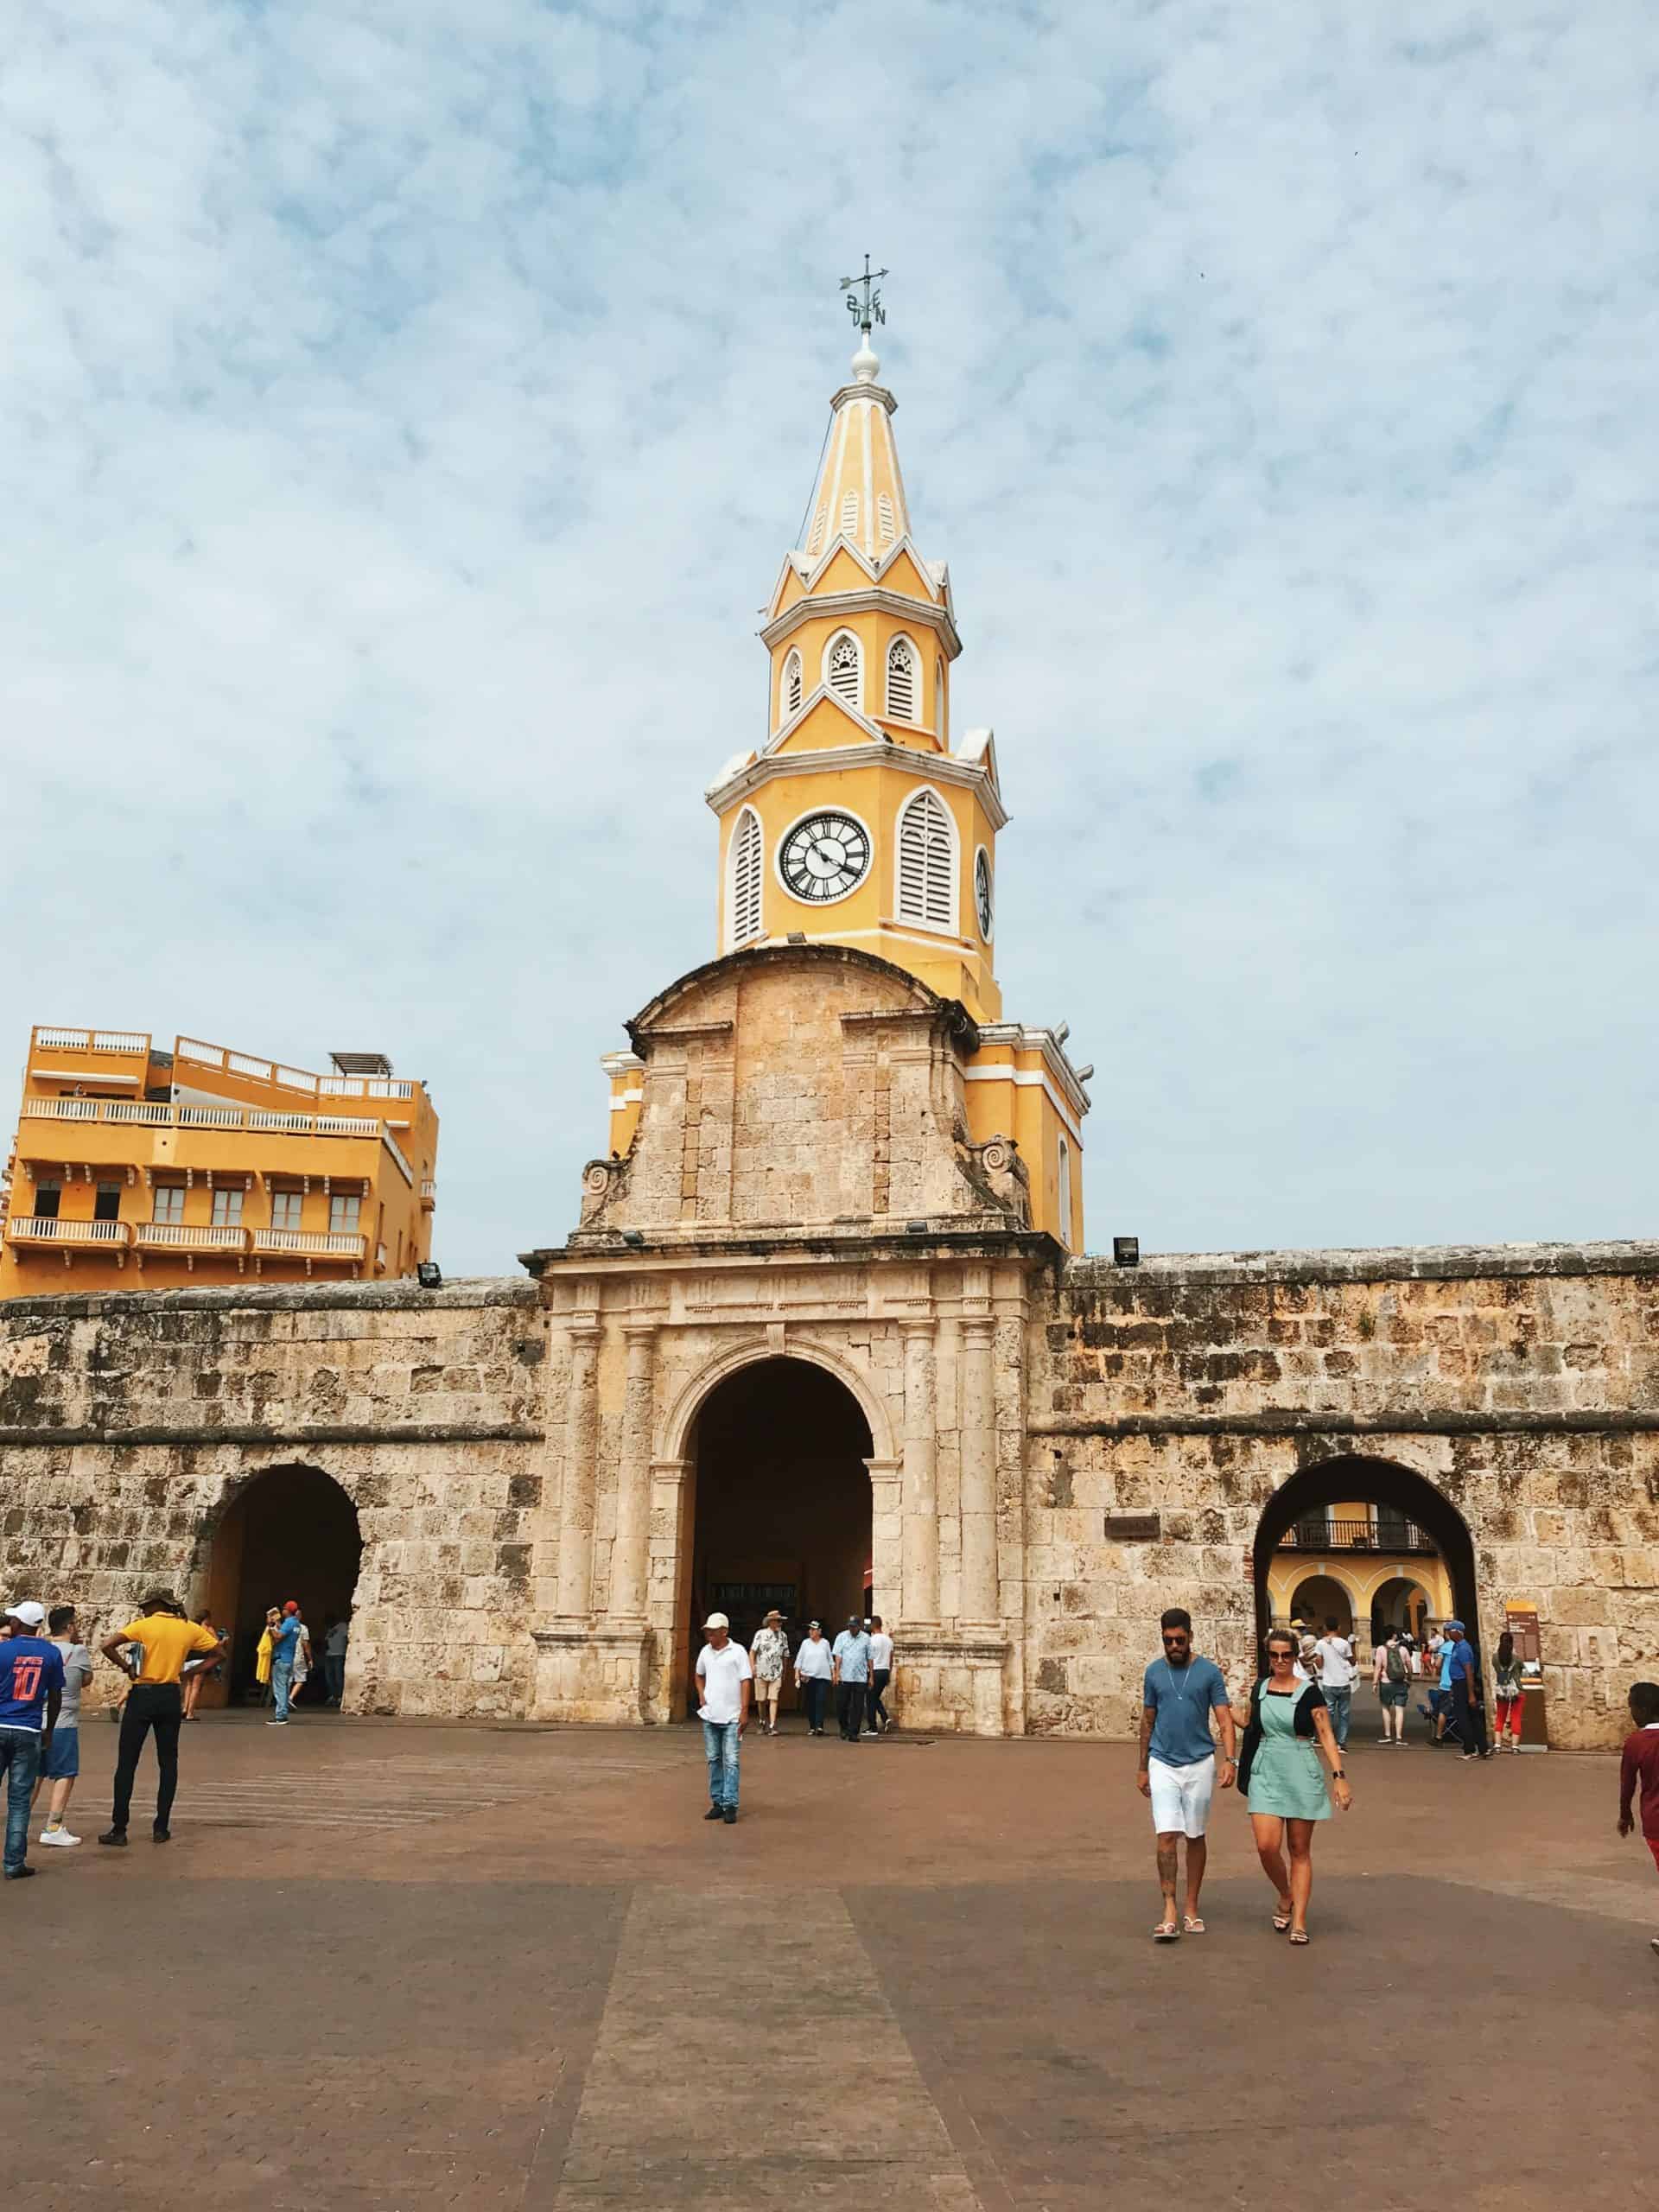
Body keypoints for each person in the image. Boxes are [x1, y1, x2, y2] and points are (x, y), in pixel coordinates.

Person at [1233, 1629, 1352, 1943]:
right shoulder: (1259, 1688)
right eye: (1274, 1655)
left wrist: (1339, 1777)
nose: (1280, 1660)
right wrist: (1227, 1714)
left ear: (1295, 1655)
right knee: (1266, 1846)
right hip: (1267, 1768)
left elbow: (1325, 1733)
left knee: (1299, 1849)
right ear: (1268, 1657)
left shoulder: (1310, 1692)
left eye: (1286, 1654)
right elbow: (1252, 1724)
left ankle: (1298, 1919)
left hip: (1300, 1766)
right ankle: (1285, 1893)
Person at [1137, 1606, 1236, 1942]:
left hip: (1199, 1763)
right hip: (1162, 1761)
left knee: (1195, 1835)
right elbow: (1147, 1720)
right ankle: (1169, 1909)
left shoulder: (1209, 1673)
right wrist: (1142, 1768)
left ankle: (1191, 1906)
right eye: (1168, 1640)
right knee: (1166, 1835)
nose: (1174, 1646)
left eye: (1180, 1640)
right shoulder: (1153, 1673)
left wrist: (1230, 1759)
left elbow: (1223, 1718)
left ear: (1191, 1637)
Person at [98, 1590, 221, 1846]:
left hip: (142, 1695)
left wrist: (126, 1667)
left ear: (156, 1605)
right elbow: (219, 1654)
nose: (143, 1610)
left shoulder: (144, 1626)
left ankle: (119, 1829)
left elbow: (107, 1645)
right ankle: (161, 1827)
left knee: (127, 1763)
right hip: (169, 1696)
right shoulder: (189, 1629)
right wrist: (190, 1672)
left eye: (146, 1605)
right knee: (168, 1762)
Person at [0, 1602, 65, 1881]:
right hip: (28, 1730)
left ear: (18, 1624)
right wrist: (49, 1729)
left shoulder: (3, 1650)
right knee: (19, 1801)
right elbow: (55, 1696)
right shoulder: (51, 1654)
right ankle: (14, 1863)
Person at [35, 1605, 92, 1847]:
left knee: (34, 1774)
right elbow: (86, 1679)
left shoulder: (42, 1649)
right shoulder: (77, 1651)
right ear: (69, 1627)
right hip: (63, 1722)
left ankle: (19, 1822)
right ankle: (53, 1826)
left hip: (36, 1721)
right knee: (65, 1774)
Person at [693, 1611, 751, 1824]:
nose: (709, 1635)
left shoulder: (738, 1652)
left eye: (713, 1632)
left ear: (724, 1632)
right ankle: (717, 1801)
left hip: (732, 1716)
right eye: (708, 1632)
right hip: (710, 1715)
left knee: (731, 1761)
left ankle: (730, 1804)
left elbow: (745, 1681)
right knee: (713, 1759)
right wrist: (701, 1694)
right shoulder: (705, 1652)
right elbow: (698, 1674)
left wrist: (745, 1710)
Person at [1616, 1681, 1659, 1956]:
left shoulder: (1636, 1743)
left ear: (1643, 1709)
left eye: (1632, 1706)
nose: (1631, 1712)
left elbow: (1627, 1784)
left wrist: (1624, 1814)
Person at [1445, 1618, 1490, 1761]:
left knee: (1464, 1718)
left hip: (1463, 1684)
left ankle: (1469, 1749)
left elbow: (1468, 1671)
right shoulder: (1456, 1647)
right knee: (1472, 1717)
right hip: (1458, 1684)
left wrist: (1471, 1694)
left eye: (1450, 1630)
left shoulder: (1463, 1649)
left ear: (1457, 1632)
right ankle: (1483, 1748)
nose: (1448, 1633)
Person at [1314, 1617, 1356, 1751]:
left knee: (1329, 1713)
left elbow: (1319, 1665)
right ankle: (1341, 1743)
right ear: (1338, 1628)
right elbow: (1353, 1661)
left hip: (1328, 1682)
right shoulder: (1344, 1643)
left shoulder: (1320, 1644)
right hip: (1343, 1682)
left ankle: (1328, 1740)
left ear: (1325, 1628)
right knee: (1344, 1714)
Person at [748, 1610, 790, 1738]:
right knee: (761, 1699)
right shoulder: (760, 1634)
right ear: (770, 1622)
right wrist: (752, 1667)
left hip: (776, 1671)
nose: (780, 1623)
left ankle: (772, 1724)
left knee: (774, 1698)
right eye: (777, 1621)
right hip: (761, 1670)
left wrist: (784, 1671)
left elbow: (785, 1655)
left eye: (780, 1621)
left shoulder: (783, 1636)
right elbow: (752, 1652)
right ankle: (762, 1721)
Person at [831, 1614, 872, 1740]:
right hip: (845, 1676)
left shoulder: (866, 1638)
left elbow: (869, 1657)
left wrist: (871, 1677)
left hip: (860, 1677)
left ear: (859, 1627)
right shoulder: (841, 1637)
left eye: (854, 1627)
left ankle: (854, 1732)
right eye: (850, 1626)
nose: (852, 1629)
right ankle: (844, 1727)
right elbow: (838, 1656)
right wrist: (837, 1673)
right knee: (842, 1704)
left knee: (858, 1706)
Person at [181, 1611, 226, 1721]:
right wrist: (224, 1641)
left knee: (189, 1685)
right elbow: (216, 1644)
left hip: (188, 1659)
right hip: (200, 1660)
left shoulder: (192, 1627)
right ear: (208, 1618)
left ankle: (184, 1708)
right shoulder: (208, 1629)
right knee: (196, 1687)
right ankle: (190, 1713)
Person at [794, 1621, 834, 1735]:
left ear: (819, 1631)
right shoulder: (805, 1643)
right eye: (810, 1629)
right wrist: (797, 1673)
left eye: (813, 1629)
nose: (811, 1631)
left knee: (820, 1701)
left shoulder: (825, 1643)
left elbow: (830, 1660)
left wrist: (834, 1674)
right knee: (811, 1702)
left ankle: (819, 1726)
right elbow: (799, 1659)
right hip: (808, 1677)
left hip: (822, 1677)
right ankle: (812, 1726)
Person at [268, 1600, 304, 1724]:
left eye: (284, 1609)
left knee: (280, 1689)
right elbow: (284, 1633)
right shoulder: (297, 1624)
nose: (282, 1611)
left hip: (281, 1659)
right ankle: (282, 1714)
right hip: (289, 1659)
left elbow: (278, 1637)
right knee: (284, 1687)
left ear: (287, 1611)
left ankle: (281, 1716)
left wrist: (270, 1627)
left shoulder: (288, 1623)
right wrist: (277, 1624)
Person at [1374, 1626, 1411, 1745]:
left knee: (1386, 1708)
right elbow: (1409, 1665)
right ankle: (1399, 1738)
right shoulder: (1403, 1649)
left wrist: (1374, 1682)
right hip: (1401, 1682)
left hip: (1386, 1682)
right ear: (1394, 1635)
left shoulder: (1380, 1649)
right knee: (1399, 1710)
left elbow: (1378, 1667)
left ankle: (1388, 1735)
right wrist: (1409, 1677)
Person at [1491, 1632, 1525, 1752]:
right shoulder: (1516, 1658)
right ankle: (1515, 1746)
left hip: (1502, 1689)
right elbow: (1523, 1668)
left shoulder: (1495, 1657)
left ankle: (1497, 1745)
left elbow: (1496, 1667)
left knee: (1500, 1717)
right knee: (1515, 1717)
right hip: (1517, 1690)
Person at [868, 1615, 895, 1735]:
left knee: (870, 1698)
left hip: (876, 1671)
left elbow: (870, 1658)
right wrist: (889, 1673)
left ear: (873, 1626)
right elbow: (891, 1659)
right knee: (874, 1697)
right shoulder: (889, 1640)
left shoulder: (872, 1640)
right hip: (885, 1671)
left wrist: (870, 1676)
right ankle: (885, 1718)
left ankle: (872, 1726)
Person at [322, 1617, 349, 1707]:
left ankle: (341, 1696)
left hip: (339, 1654)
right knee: (329, 1678)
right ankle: (333, 1696)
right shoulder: (329, 1630)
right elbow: (326, 1642)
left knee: (339, 1677)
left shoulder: (342, 1626)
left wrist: (346, 1651)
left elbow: (346, 1638)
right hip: (329, 1655)